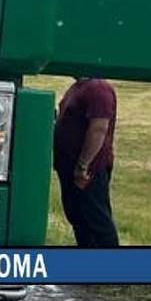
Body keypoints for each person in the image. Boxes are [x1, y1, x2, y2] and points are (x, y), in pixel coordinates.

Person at [53, 77, 119, 247]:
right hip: (68, 165)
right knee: (78, 217)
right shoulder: (78, 87)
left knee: (96, 220)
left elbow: (99, 128)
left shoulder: (97, 88)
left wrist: (83, 165)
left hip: (88, 169)